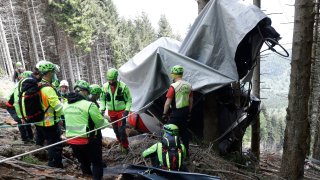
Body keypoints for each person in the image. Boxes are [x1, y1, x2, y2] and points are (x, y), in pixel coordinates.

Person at [64, 80, 108, 180]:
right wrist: (106, 122)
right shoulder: (89, 105)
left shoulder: (66, 105)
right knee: (97, 163)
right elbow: (101, 123)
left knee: (84, 163)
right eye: (87, 92)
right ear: (84, 91)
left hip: (72, 140)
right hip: (89, 140)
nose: (88, 94)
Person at [34, 60, 63, 168]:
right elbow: (58, 107)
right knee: (55, 145)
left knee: (46, 143)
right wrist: (62, 116)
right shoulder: (48, 89)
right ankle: (55, 167)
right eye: (53, 72)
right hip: (49, 122)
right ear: (49, 73)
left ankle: (47, 162)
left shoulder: (38, 85)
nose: (54, 74)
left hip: (39, 121)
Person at [162, 65, 193, 156]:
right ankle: (186, 153)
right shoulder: (189, 86)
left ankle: (168, 152)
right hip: (185, 111)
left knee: (168, 130)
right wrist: (189, 112)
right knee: (184, 132)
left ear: (174, 75)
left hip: (176, 112)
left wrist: (164, 114)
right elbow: (191, 101)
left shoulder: (173, 87)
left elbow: (167, 103)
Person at [100, 68, 132, 154]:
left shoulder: (123, 87)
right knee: (115, 130)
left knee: (121, 130)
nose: (111, 82)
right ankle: (120, 143)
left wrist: (127, 110)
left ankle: (125, 147)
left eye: (112, 80)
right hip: (111, 112)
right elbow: (102, 99)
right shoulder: (105, 87)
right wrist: (102, 108)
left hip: (121, 112)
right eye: (109, 80)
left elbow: (129, 100)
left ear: (116, 78)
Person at [6, 71, 34, 144]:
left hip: (18, 105)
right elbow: (17, 103)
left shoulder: (25, 85)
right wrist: (21, 116)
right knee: (20, 120)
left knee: (26, 119)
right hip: (12, 106)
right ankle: (25, 139)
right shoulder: (19, 86)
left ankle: (30, 137)